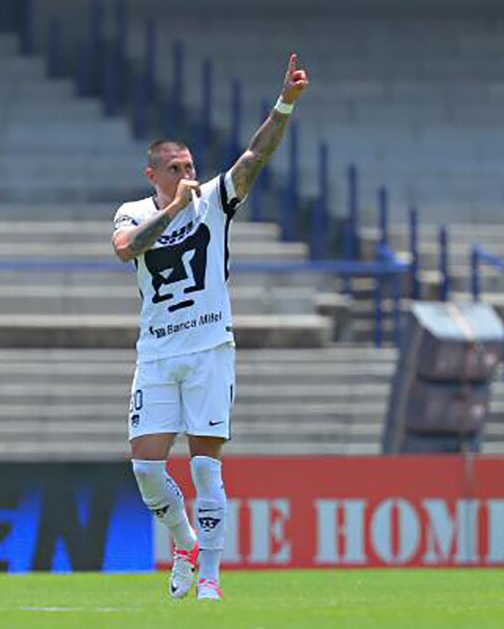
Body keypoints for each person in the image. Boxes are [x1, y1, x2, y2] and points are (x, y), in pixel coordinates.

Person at [111, 54, 308, 600]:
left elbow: (256, 155)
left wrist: (285, 102)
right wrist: (173, 209)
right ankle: (183, 541)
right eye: (176, 169)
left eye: (191, 167)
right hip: (156, 353)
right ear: (153, 175)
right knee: (146, 468)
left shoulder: (215, 202)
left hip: (209, 348)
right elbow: (127, 250)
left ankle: (212, 581)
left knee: (204, 464)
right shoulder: (132, 212)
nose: (187, 177)